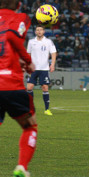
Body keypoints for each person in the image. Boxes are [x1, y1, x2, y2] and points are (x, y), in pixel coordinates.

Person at [0, 0, 37, 176]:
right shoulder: (20, 17)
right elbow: (11, 37)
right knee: (30, 126)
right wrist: (28, 62)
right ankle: (22, 167)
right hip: (11, 85)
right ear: (18, 4)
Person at [26, 24, 57, 116]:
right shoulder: (31, 42)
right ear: (35, 32)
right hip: (33, 69)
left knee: (45, 87)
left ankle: (47, 109)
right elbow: (28, 54)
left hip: (44, 69)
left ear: (44, 31)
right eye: (37, 30)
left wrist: (52, 64)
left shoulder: (48, 42)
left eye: (41, 30)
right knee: (29, 87)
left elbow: (53, 52)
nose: (39, 31)